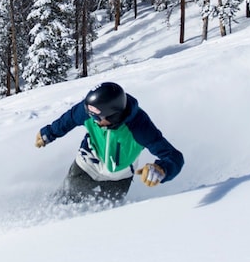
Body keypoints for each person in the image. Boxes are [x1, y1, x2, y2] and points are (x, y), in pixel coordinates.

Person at [35, 82, 183, 205]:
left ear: (114, 116)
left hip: (119, 178)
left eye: (98, 118)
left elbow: (174, 156)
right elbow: (70, 118)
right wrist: (49, 133)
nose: (93, 120)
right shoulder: (89, 110)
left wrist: (162, 169)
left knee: (103, 214)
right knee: (65, 201)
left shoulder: (140, 127)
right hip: (86, 166)